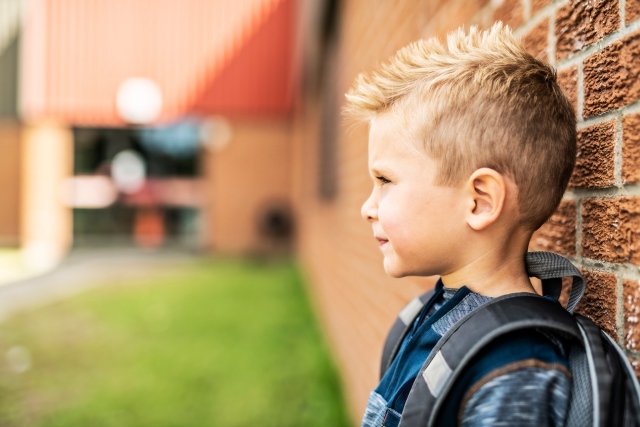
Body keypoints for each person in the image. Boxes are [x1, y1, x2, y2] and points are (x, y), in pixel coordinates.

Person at [344, 23, 577, 427]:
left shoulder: (513, 367)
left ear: (480, 201)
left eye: (385, 180)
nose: (368, 208)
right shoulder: (438, 311)